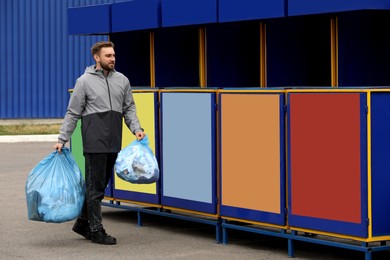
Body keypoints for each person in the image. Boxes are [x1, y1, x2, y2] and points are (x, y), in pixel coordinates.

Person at [54, 41, 145, 245]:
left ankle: (83, 223)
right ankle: (96, 229)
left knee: (99, 186)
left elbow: (129, 108)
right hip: (94, 141)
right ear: (97, 58)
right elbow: (73, 112)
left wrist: (136, 129)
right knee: (95, 188)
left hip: (114, 140)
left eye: (113, 55)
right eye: (108, 56)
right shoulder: (84, 81)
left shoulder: (122, 80)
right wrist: (62, 139)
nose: (112, 59)